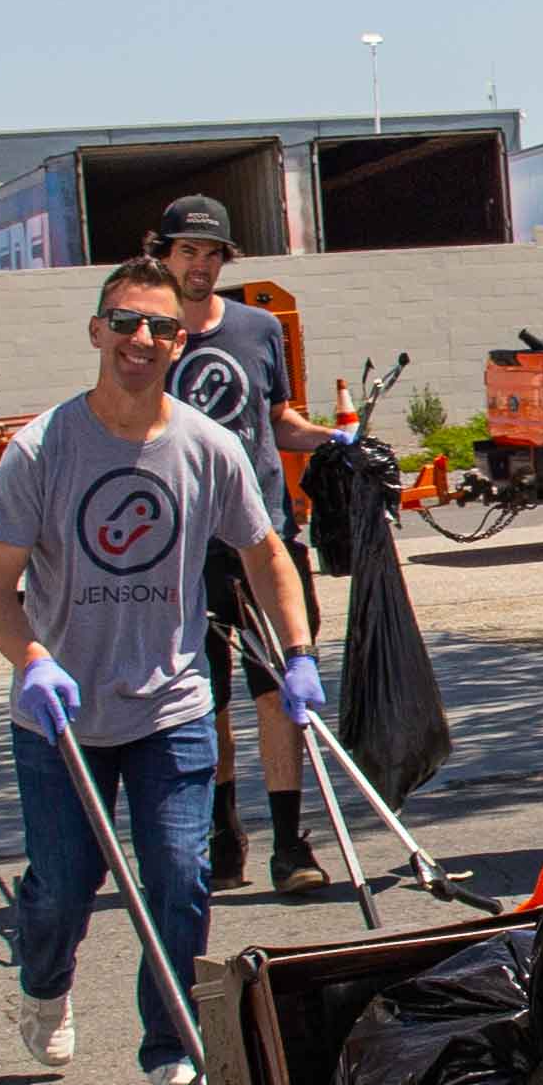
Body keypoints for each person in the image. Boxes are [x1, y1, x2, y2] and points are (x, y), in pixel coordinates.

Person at [0, 258, 319, 1085]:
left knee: (180, 874)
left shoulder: (207, 448)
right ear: (96, 330)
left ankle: (169, 1047)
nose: (141, 340)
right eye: (125, 322)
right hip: (60, 716)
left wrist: (301, 650)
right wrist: (31, 659)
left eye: (160, 328)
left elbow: (265, 551)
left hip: (170, 706)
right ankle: (43, 981)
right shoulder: (41, 449)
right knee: (61, 888)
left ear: (181, 339)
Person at [150, 195, 353, 895]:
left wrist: (334, 440)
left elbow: (279, 422)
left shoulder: (259, 327)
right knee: (203, 701)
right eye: (186, 252)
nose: (199, 265)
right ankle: (220, 833)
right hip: (179, 548)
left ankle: (290, 843)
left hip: (263, 536)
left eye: (210, 254)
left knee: (277, 694)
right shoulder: (149, 336)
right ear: (163, 255)